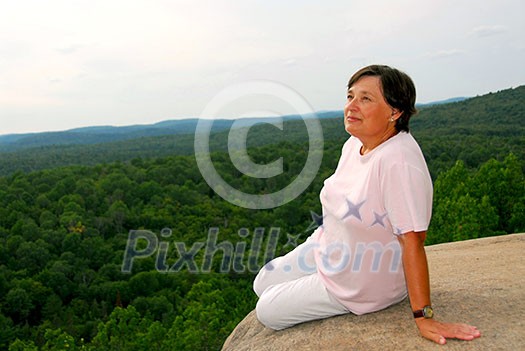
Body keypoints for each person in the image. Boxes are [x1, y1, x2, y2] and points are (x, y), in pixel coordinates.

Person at [253, 64, 481, 345]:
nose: (352, 106)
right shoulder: (354, 143)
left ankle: (344, 292)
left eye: (366, 99)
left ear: (395, 112)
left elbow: (413, 241)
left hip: (362, 277)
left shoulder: (398, 162)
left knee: (267, 311)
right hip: (331, 246)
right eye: (350, 97)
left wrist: (424, 316)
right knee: (262, 281)